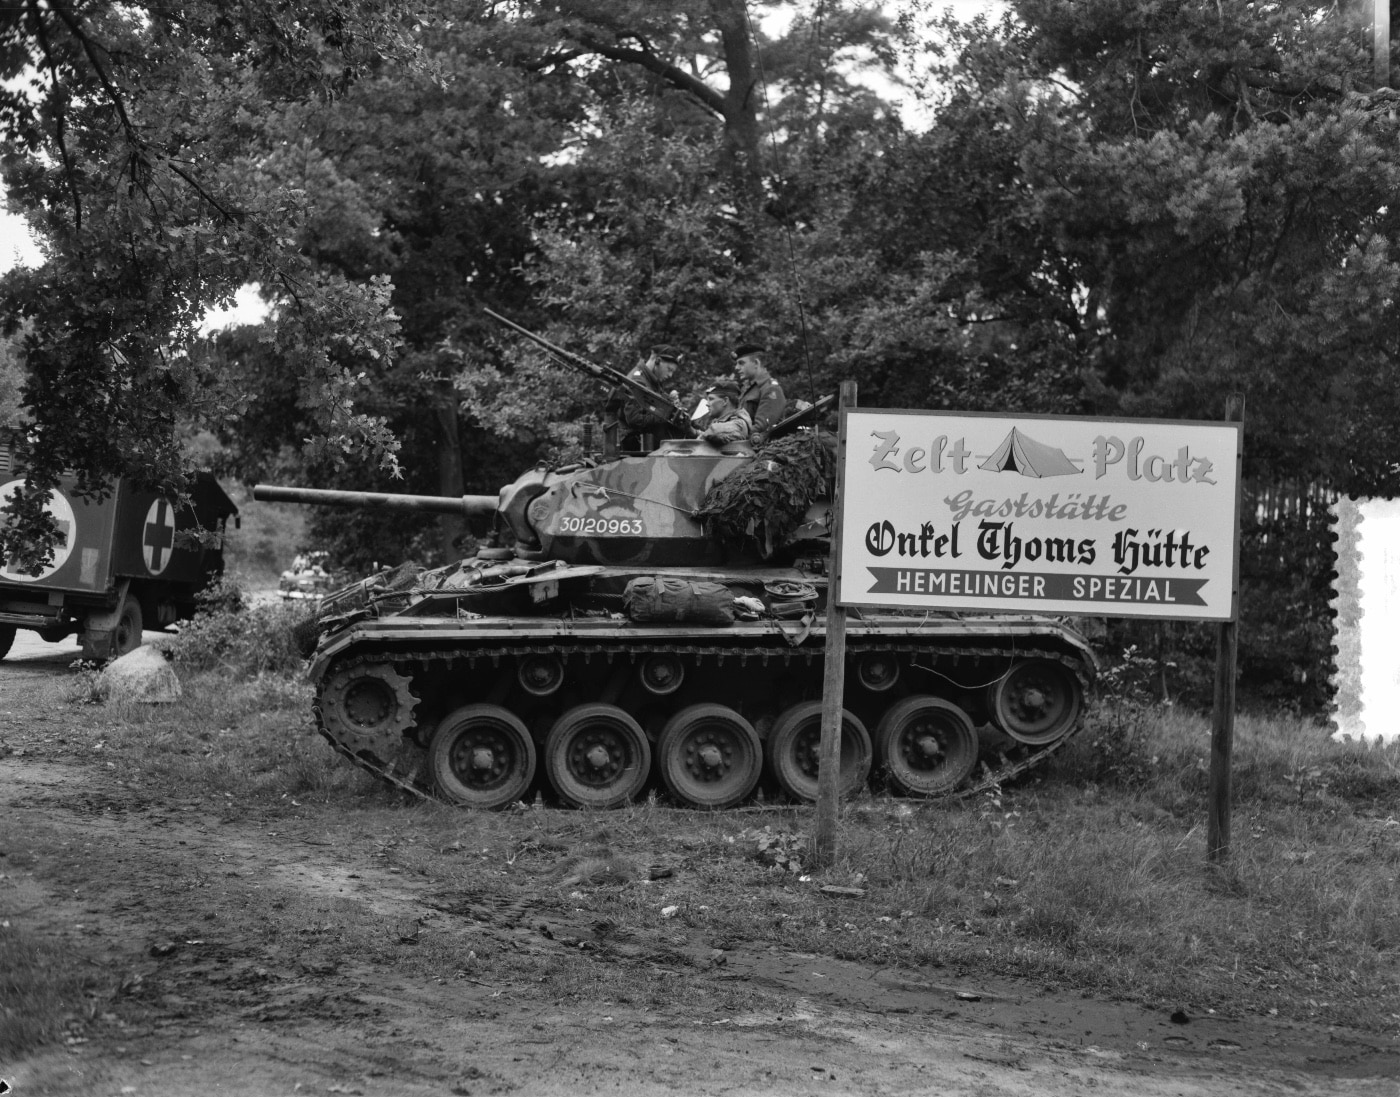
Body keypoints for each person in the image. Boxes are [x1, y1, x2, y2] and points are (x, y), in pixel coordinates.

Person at [604, 345, 685, 453]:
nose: (670, 375)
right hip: (637, 446)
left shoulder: (652, 381)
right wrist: (665, 415)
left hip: (650, 445)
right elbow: (634, 419)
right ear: (657, 360)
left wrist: (670, 403)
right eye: (669, 369)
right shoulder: (638, 381)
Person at [733, 342, 786, 443]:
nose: (736, 367)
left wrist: (731, 435)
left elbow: (761, 428)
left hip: (759, 449)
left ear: (756, 363)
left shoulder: (771, 389)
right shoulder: (748, 389)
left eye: (741, 363)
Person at [698, 380, 752, 445]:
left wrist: (701, 436)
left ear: (725, 401)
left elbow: (715, 432)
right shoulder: (723, 421)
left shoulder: (740, 423)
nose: (707, 404)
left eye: (711, 399)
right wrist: (691, 431)